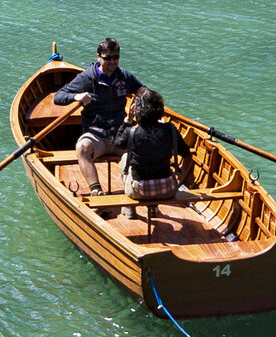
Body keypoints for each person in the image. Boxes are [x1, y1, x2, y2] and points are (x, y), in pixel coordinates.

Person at [52, 39, 145, 196]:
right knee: (82, 148)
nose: (112, 62)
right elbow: (58, 97)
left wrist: (139, 101)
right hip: (96, 135)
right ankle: (96, 190)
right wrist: (76, 96)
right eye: (107, 58)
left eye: (116, 57)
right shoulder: (86, 78)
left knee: (144, 144)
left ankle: (139, 190)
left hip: (120, 134)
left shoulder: (124, 76)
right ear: (98, 57)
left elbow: (143, 90)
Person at [117, 88, 190, 222]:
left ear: (136, 110)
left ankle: (130, 208)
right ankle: (153, 208)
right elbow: (186, 153)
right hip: (168, 189)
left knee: (125, 158)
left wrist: (127, 120)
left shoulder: (131, 132)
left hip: (139, 191)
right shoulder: (170, 129)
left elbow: (118, 144)